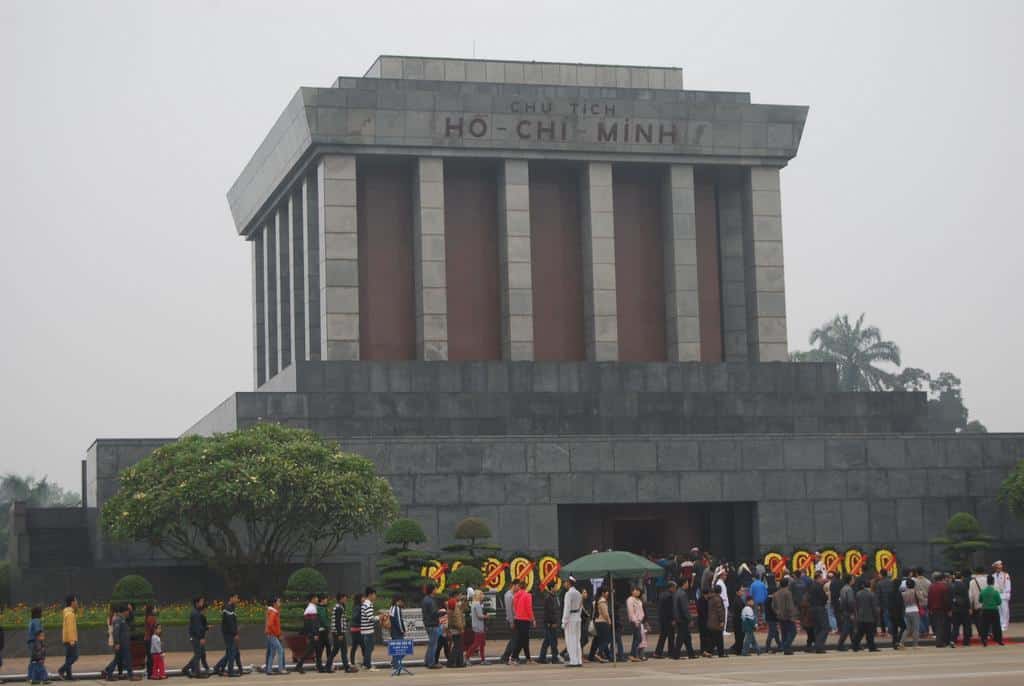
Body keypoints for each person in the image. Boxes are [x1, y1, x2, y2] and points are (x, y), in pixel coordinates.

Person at [213, 592, 241, 677]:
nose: (237, 599)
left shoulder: (231, 608)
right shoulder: (227, 608)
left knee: (230, 652)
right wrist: (235, 633)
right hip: (229, 634)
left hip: (229, 633)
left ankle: (218, 667)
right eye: (236, 598)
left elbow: (233, 622)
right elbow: (230, 623)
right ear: (231, 598)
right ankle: (230, 671)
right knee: (231, 652)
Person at [329, 592, 356, 673]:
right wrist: (340, 634)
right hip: (338, 632)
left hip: (337, 632)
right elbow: (337, 622)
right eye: (345, 598)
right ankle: (346, 668)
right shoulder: (338, 608)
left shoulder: (340, 607)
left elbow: (339, 620)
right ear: (341, 599)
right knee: (343, 650)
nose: (346, 599)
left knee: (336, 650)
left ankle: (328, 666)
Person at [295, 594, 321, 673]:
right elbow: (313, 623)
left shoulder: (310, 608)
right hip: (313, 633)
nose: (317, 599)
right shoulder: (312, 609)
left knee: (318, 649)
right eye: (316, 598)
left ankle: (319, 667)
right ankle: (299, 665)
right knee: (310, 650)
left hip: (311, 632)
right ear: (312, 599)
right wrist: (315, 634)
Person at [182, 597, 208, 679]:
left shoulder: (197, 612)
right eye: (201, 602)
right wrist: (201, 637)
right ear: (197, 603)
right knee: (198, 655)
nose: (203, 603)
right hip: (196, 637)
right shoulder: (195, 613)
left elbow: (199, 626)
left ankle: (186, 668)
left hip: (196, 636)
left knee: (199, 654)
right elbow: (197, 628)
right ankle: (197, 673)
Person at [511, 579, 535, 664]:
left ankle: (527, 658)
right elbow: (529, 608)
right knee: (523, 640)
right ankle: (514, 657)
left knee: (522, 639)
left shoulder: (515, 596)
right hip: (525, 620)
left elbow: (514, 608)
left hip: (517, 619)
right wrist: (533, 619)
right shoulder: (528, 595)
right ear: (526, 586)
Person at [561, 576, 583, 667]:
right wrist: (578, 615)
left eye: (565, 582)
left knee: (570, 640)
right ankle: (578, 660)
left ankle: (573, 661)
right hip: (577, 617)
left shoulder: (568, 594)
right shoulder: (578, 593)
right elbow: (581, 606)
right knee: (577, 640)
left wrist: (564, 621)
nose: (564, 584)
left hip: (570, 618)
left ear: (569, 583)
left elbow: (567, 608)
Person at [773, 577, 798, 655]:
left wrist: (777, 612)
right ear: (787, 584)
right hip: (787, 616)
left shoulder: (776, 593)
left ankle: (787, 649)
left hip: (780, 616)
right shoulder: (788, 593)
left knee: (784, 633)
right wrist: (792, 616)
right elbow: (789, 606)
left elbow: (773, 606)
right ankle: (785, 646)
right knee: (793, 632)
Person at [852, 583, 879, 653]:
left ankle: (855, 646)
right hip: (870, 617)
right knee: (870, 633)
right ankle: (871, 647)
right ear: (870, 586)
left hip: (861, 616)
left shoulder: (858, 593)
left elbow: (856, 605)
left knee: (860, 633)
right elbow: (874, 607)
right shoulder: (872, 594)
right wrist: (876, 615)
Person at [672, 577, 695, 659]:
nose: (688, 584)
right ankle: (675, 654)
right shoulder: (683, 594)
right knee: (681, 638)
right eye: (687, 582)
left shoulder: (677, 592)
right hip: (682, 619)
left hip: (678, 618)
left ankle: (691, 654)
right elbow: (685, 608)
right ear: (684, 583)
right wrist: (690, 619)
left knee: (687, 637)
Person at [538, 582, 561, 663]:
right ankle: (554, 658)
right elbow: (548, 611)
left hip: (552, 622)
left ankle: (541, 658)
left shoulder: (554, 597)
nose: (556, 588)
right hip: (550, 623)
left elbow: (555, 610)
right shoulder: (548, 598)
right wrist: (552, 622)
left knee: (547, 641)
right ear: (551, 588)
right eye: (555, 586)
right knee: (553, 641)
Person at [587, 587, 612, 663]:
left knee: (597, 640)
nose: (608, 593)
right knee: (607, 639)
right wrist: (609, 621)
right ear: (603, 593)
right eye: (607, 591)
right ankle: (598, 653)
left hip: (596, 622)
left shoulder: (595, 601)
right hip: (602, 622)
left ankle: (592, 657)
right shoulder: (602, 601)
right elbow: (605, 614)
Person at [979, 575, 1004, 646]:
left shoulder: (983, 591)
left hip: (985, 610)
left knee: (984, 626)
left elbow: (980, 600)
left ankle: (984, 640)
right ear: (993, 582)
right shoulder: (995, 592)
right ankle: (999, 640)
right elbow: (999, 602)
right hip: (994, 610)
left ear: (987, 582)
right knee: (996, 626)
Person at [928, 573, 951, 648]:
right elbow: (946, 600)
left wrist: (929, 608)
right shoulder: (945, 587)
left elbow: (929, 599)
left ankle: (939, 641)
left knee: (937, 625)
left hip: (934, 609)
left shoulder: (931, 587)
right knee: (942, 625)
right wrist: (949, 609)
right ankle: (940, 642)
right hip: (942, 609)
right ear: (942, 579)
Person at [59, 594, 79, 682]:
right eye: (76, 600)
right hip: (70, 639)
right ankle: (61, 670)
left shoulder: (67, 612)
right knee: (75, 656)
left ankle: (69, 676)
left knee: (69, 658)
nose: (77, 602)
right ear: (72, 602)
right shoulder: (70, 614)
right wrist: (72, 640)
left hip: (66, 639)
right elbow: (70, 628)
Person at [422, 584, 442, 669]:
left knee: (431, 644)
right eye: (435, 588)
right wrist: (442, 612)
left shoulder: (425, 599)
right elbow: (434, 613)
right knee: (433, 645)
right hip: (433, 624)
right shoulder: (431, 600)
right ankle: (431, 663)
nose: (436, 590)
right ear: (432, 590)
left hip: (428, 624)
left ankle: (427, 661)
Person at [949, 571, 972, 647]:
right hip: (964, 608)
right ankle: (966, 641)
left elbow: (950, 598)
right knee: (966, 625)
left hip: (955, 609)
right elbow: (967, 597)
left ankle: (953, 640)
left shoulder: (951, 586)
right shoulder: (964, 585)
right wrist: (969, 607)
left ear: (954, 577)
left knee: (955, 626)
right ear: (962, 577)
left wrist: (950, 608)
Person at [263, 596, 284, 676]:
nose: (280, 603)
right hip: (272, 634)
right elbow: (271, 625)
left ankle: (269, 669)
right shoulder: (273, 612)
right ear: (274, 603)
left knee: (272, 652)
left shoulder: (272, 611)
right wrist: (278, 634)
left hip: (271, 634)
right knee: (280, 651)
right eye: (278, 602)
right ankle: (280, 669)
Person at [808, 573, 829, 654]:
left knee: (817, 628)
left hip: (812, 608)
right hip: (819, 608)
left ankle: (817, 646)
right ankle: (819, 645)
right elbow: (824, 598)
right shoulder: (819, 586)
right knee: (825, 627)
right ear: (818, 578)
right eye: (821, 578)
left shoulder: (811, 586)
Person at [466, 589, 488, 664]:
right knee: (477, 643)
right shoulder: (477, 604)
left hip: (476, 625)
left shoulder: (474, 603)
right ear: (478, 595)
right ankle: (467, 657)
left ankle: (483, 659)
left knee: (481, 643)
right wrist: (486, 616)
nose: (483, 596)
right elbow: (480, 616)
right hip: (479, 626)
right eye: (481, 594)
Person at [447, 592, 467, 668]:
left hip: (454, 627)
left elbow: (464, 608)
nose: (460, 596)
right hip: (457, 628)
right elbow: (456, 618)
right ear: (456, 595)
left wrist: (464, 600)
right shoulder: (454, 604)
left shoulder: (454, 604)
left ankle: (459, 662)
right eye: (460, 595)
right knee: (457, 646)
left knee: (459, 646)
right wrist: (461, 628)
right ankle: (451, 662)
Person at [388, 595, 408, 673]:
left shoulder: (391, 608)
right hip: (397, 632)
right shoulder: (397, 608)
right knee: (402, 650)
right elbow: (399, 621)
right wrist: (403, 630)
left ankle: (394, 663)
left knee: (396, 649)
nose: (403, 603)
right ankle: (396, 666)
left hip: (393, 631)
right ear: (398, 601)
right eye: (402, 601)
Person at [360, 587, 378, 670]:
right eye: (374, 595)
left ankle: (365, 664)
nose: (375, 596)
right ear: (370, 595)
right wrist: (380, 617)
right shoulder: (368, 604)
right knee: (369, 648)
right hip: (368, 631)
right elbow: (371, 618)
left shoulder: (366, 604)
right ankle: (368, 665)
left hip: (366, 630)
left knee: (369, 648)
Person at [706, 584, 726, 658]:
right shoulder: (717, 599)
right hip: (716, 622)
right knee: (718, 638)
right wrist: (721, 621)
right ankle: (710, 651)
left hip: (711, 621)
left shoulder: (710, 598)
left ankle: (718, 652)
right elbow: (719, 610)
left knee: (716, 638)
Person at [626, 586, 645, 662]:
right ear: (632, 591)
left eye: (638, 591)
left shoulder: (639, 600)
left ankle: (633, 654)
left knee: (637, 638)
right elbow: (631, 612)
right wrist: (635, 621)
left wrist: (641, 618)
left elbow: (641, 611)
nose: (637, 592)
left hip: (640, 621)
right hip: (634, 621)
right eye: (635, 590)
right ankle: (632, 655)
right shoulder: (630, 600)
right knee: (638, 638)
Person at [992, 561, 1011, 633]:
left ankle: (1004, 625)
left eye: (999, 568)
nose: (998, 569)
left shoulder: (1005, 575)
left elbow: (1008, 585)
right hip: (996, 596)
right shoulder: (993, 576)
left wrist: (1007, 595)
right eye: (997, 568)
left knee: (1005, 611)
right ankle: (1000, 624)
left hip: (1003, 595)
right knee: (999, 611)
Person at [875, 570, 896, 636]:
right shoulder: (891, 582)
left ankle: (888, 631)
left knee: (886, 618)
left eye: (879, 574)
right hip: (892, 603)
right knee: (891, 617)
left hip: (883, 603)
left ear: (881, 575)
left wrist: (877, 605)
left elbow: (878, 595)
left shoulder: (879, 583)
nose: (879, 575)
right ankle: (891, 630)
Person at [888, 578, 906, 649]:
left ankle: (894, 643)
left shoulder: (890, 592)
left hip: (892, 613)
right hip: (898, 614)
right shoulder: (898, 593)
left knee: (894, 629)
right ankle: (897, 641)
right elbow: (900, 604)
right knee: (904, 627)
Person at [902, 579, 920, 648]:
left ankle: (901, 643)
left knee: (907, 628)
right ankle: (915, 644)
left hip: (906, 611)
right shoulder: (915, 592)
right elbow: (920, 599)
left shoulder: (903, 593)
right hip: (914, 610)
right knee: (916, 628)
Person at [349, 593, 364, 668]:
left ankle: (352, 662)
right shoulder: (359, 607)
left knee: (354, 646)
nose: (363, 599)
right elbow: (356, 617)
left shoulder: (355, 606)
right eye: (362, 598)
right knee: (363, 646)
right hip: (357, 629)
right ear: (359, 599)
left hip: (354, 629)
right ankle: (365, 662)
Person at [764, 586, 780, 654]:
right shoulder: (771, 600)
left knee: (775, 632)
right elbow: (773, 610)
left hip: (769, 618)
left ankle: (780, 645)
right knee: (771, 633)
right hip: (772, 619)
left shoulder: (767, 599)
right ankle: (767, 647)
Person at [143, 605, 157, 679]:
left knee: (149, 657)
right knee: (151, 657)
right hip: (150, 639)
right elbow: (153, 629)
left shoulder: (147, 617)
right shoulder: (151, 618)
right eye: (155, 608)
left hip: (147, 639)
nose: (156, 609)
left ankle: (149, 673)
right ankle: (151, 673)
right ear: (152, 610)